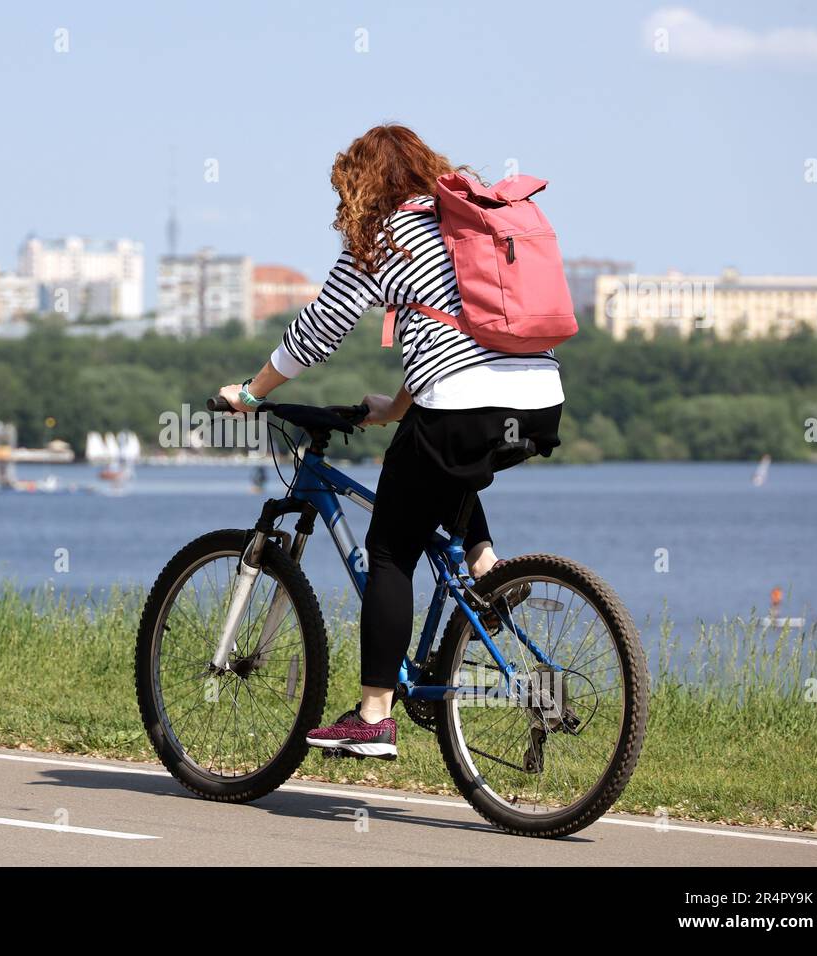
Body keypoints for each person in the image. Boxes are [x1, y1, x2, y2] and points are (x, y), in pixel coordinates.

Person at [218, 124, 564, 759]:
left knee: (390, 549)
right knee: (439, 457)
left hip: (461, 403)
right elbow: (458, 327)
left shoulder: (382, 235)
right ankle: (488, 573)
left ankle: (374, 716)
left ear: (362, 184)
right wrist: (399, 405)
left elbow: (318, 331)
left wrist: (252, 390)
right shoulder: (461, 222)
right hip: (536, 398)